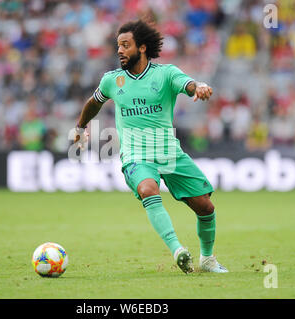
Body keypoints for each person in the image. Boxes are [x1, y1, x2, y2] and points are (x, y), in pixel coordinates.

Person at [74, 20, 228, 274]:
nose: (120, 50)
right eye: (118, 46)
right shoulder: (112, 80)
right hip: (136, 155)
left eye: (126, 45)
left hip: (169, 152)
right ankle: (178, 250)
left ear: (142, 48)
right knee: (148, 189)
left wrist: (198, 87)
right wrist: (80, 127)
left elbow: (188, 84)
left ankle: (208, 259)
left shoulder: (165, 73)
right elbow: (94, 102)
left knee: (206, 207)